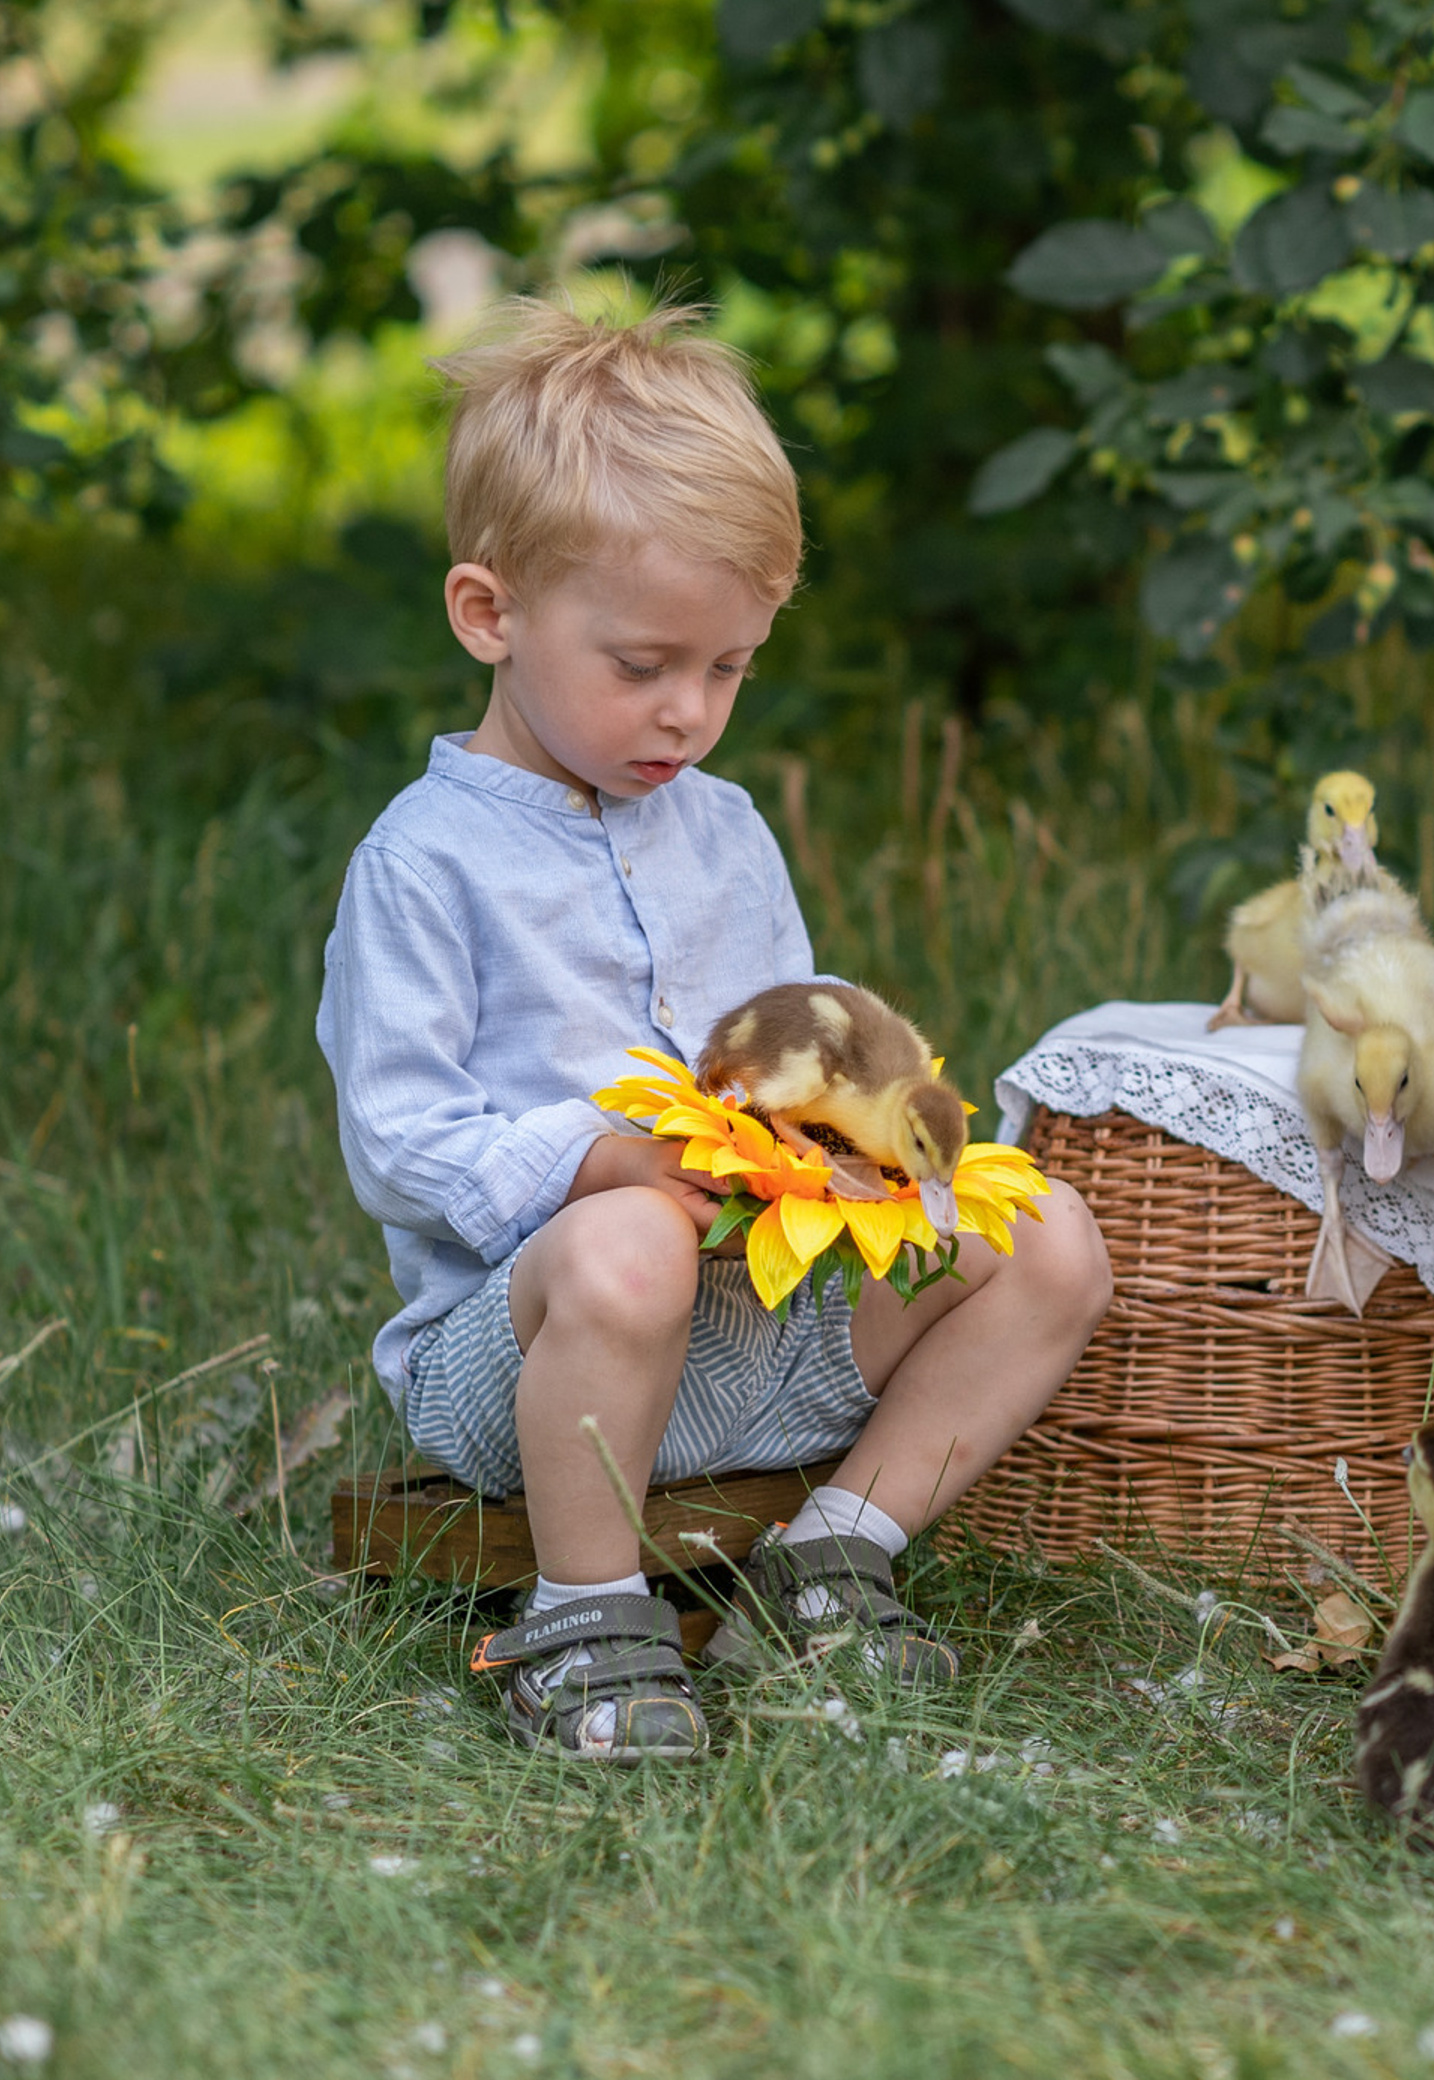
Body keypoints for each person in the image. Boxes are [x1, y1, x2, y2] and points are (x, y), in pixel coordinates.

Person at [317, 294, 1112, 1762]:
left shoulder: (726, 831)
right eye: (641, 666)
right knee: (632, 1242)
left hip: (759, 1321)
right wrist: (596, 1162)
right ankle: (586, 1618)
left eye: (728, 668)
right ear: (489, 614)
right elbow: (402, 1139)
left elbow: (790, 1042)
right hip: (536, 1356)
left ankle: (834, 1557)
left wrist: (844, 1148)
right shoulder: (425, 862)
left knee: (1048, 1234)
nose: (686, 712)